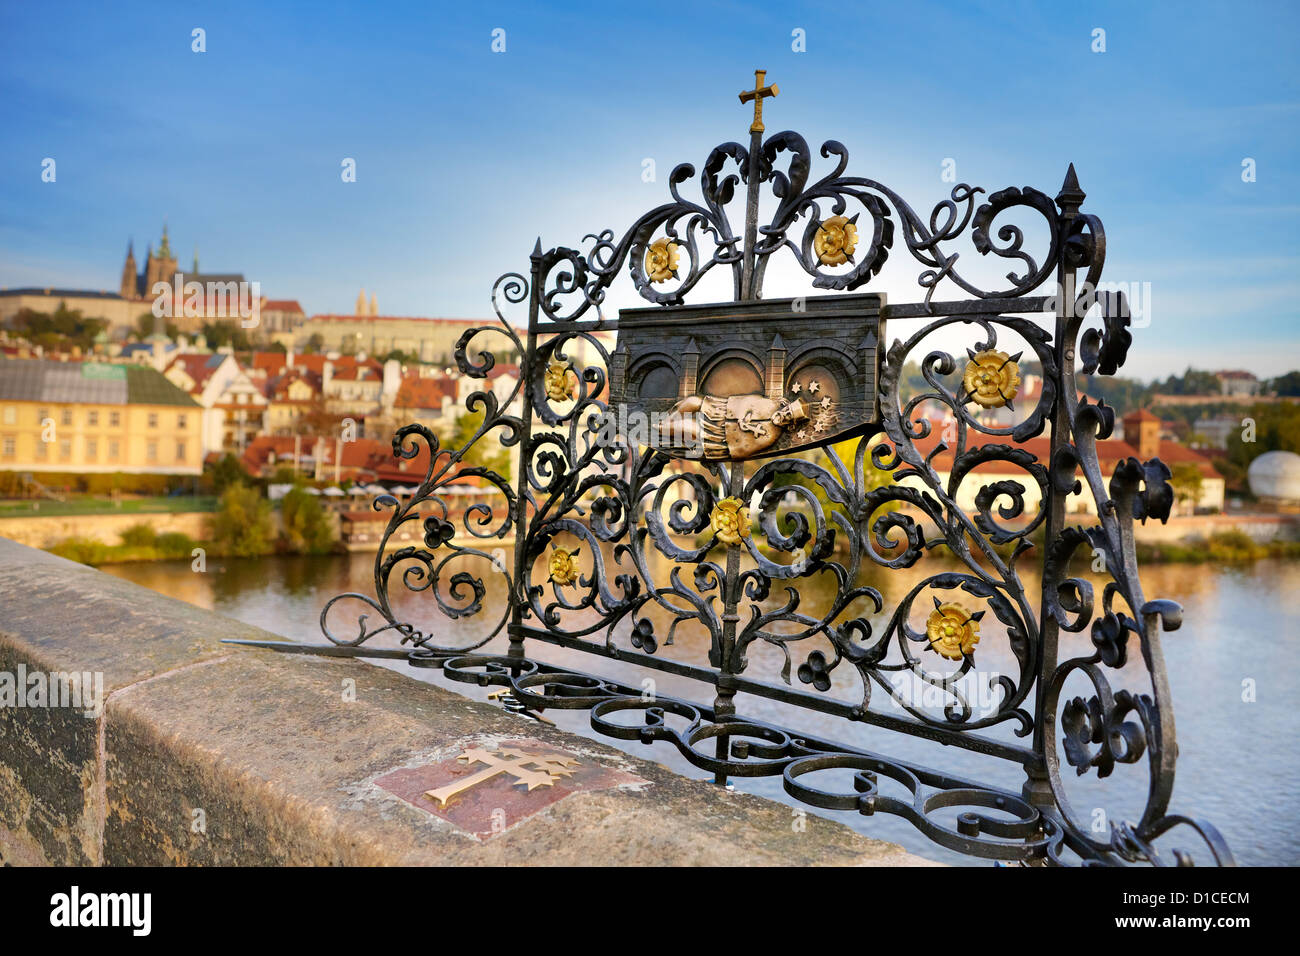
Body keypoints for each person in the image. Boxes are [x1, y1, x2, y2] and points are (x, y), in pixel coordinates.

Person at [654, 394, 809, 459]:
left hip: (720, 436)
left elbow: (743, 449)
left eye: (788, 417)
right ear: (785, 406)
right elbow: (746, 402)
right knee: (692, 401)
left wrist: (744, 429)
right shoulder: (769, 405)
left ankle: (660, 429)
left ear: (791, 424)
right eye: (786, 411)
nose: (784, 415)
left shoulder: (771, 437)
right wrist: (744, 417)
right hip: (720, 410)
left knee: (687, 427)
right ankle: (664, 423)